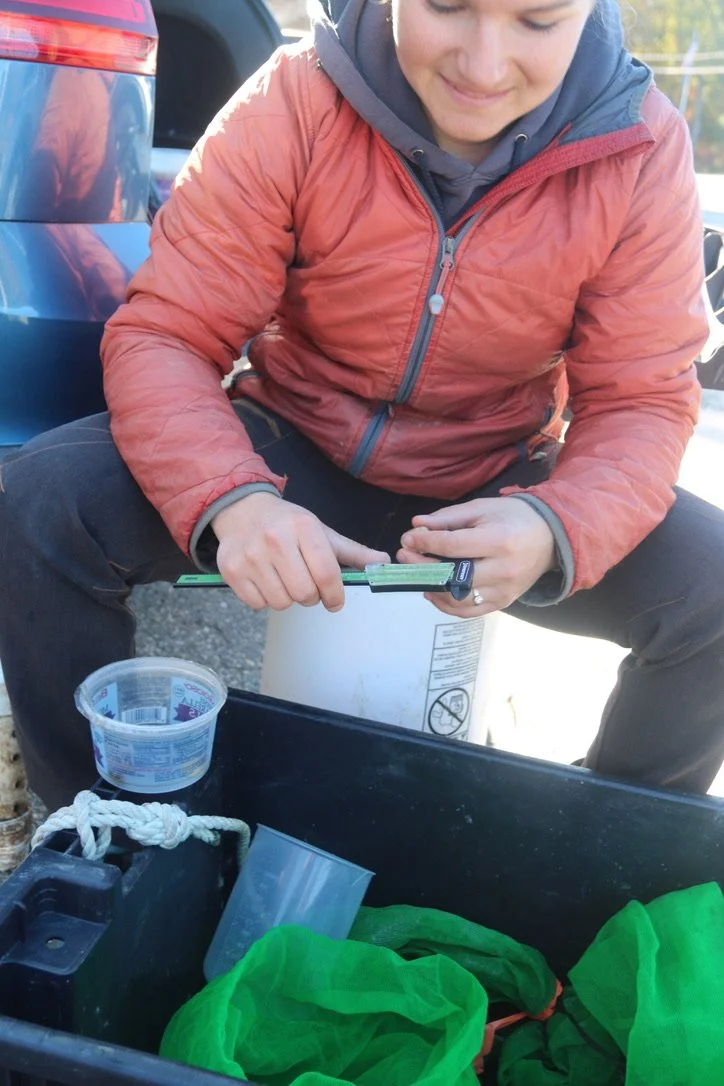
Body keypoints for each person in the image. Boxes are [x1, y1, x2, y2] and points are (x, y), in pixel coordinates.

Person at [0, 0, 722, 813]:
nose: (484, 68)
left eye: (538, 21)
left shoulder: (642, 145)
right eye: (448, 7)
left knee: (716, 592)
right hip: (294, 446)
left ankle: (607, 855)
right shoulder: (294, 98)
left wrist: (555, 524)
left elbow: (643, 399)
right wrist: (232, 500)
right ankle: (98, 838)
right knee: (42, 502)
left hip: (492, 482)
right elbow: (164, 332)